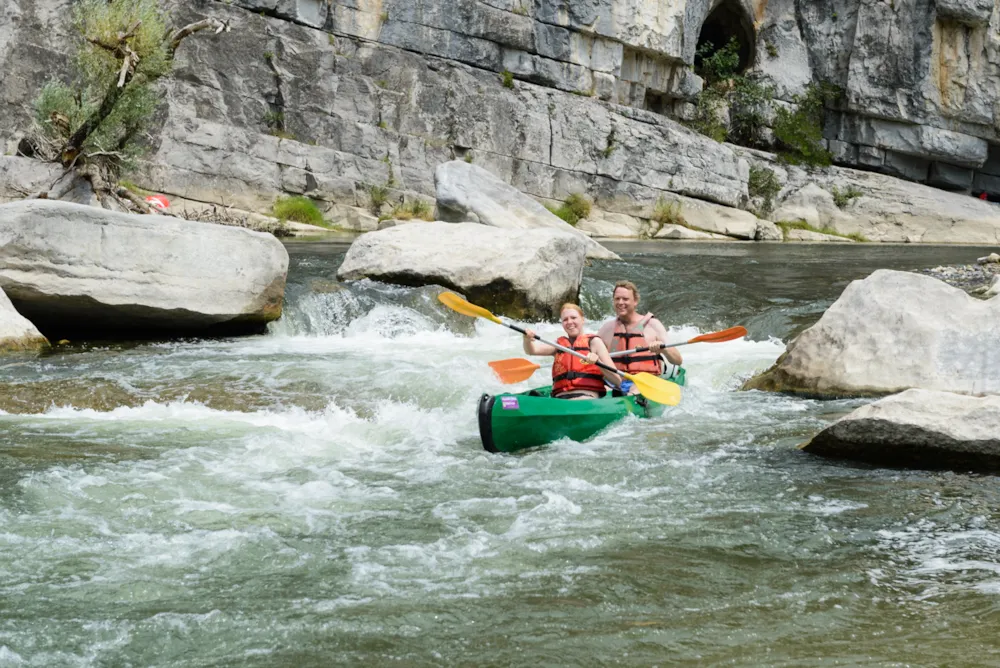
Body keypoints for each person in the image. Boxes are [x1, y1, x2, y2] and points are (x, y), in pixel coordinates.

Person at [522, 303, 622, 400]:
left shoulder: (594, 342)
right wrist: (527, 339)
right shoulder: (558, 344)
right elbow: (532, 350)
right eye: (565, 319)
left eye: (573, 318)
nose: (569, 322)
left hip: (586, 398)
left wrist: (598, 363)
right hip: (559, 398)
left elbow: (617, 380)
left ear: (582, 320)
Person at [598, 281, 682, 390]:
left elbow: (677, 360)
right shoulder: (607, 328)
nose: (620, 302)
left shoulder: (652, 325)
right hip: (615, 382)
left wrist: (663, 348)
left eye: (625, 299)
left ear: (635, 301)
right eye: (617, 299)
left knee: (635, 389)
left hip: (645, 382)